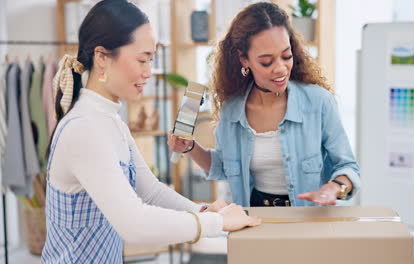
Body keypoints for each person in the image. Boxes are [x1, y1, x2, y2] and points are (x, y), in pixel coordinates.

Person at [41, 1, 260, 263]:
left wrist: (202, 209)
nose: (148, 72)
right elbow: (134, 223)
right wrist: (215, 223)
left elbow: (151, 192)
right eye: (142, 59)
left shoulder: (110, 122)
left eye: (151, 61)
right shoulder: (84, 129)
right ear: (102, 57)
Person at [168, 2, 360, 207]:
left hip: (308, 219)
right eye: (267, 61)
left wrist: (334, 188)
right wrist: (190, 147)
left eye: (286, 56)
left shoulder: (319, 102)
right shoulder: (232, 110)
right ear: (244, 59)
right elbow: (223, 167)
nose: (281, 69)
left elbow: (348, 167)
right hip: (254, 218)